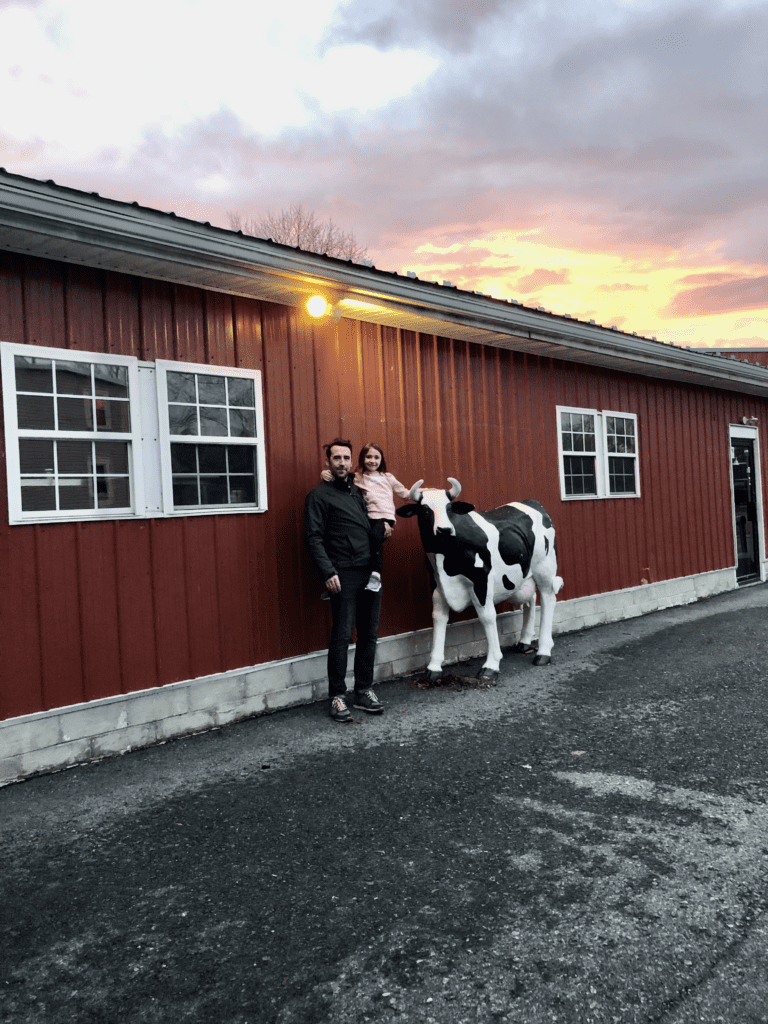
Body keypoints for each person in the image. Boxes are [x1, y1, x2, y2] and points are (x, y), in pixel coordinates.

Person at [305, 438, 385, 722]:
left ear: (352, 461)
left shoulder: (359, 490)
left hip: (369, 572)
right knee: (341, 637)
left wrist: (385, 526)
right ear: (328, 462)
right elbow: (313, 537)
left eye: (346, 458)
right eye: (336, 458)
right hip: (342, 574)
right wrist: (328, 572)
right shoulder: (319, 495)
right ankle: (337, 697)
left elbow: (381, 502)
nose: (341, 463)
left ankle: (363, 690)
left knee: (369, 635)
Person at [321, 442, 411, 593]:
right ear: (362, 458)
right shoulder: (359, 477)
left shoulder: (387, 477)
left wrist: (424, 491)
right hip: (368, 518)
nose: (373, 460)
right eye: (368, 456)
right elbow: (341, 478)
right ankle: (341, 582)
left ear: (382, 460)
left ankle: (375, 576)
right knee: (356, 545)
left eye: (377, 457)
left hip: (384, 518)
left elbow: (406, 494)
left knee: (375, 541)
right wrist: (325, 473)